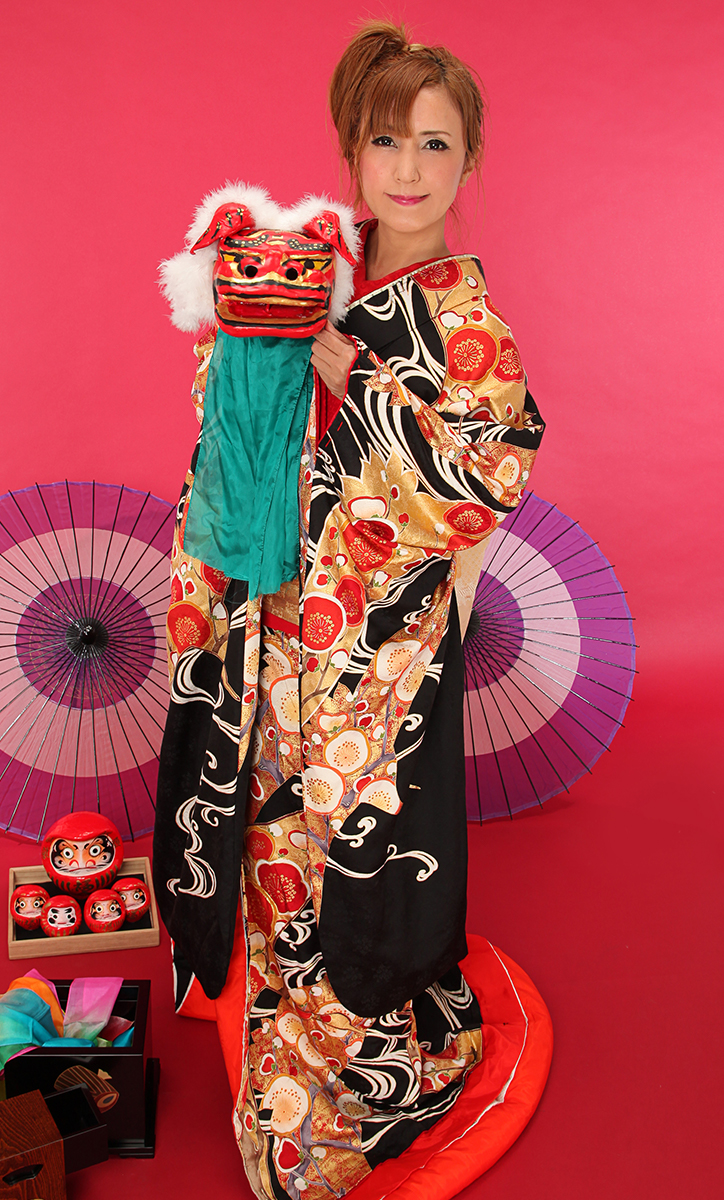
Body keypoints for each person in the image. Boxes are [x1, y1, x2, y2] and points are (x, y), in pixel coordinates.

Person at [154, 20, 546, 1200]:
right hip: (271, 605)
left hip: (378, 639)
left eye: (435, 143)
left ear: (470, 160)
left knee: (351, 844)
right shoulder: (308, 266)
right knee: (266, 823)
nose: (408, 169)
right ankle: (276, 1028)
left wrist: (357, 381)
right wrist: (250, 358)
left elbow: (482, 481)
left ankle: (354, 1061)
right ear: (352, 151)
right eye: (386, 141)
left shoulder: (466, 323)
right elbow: (226, 423)